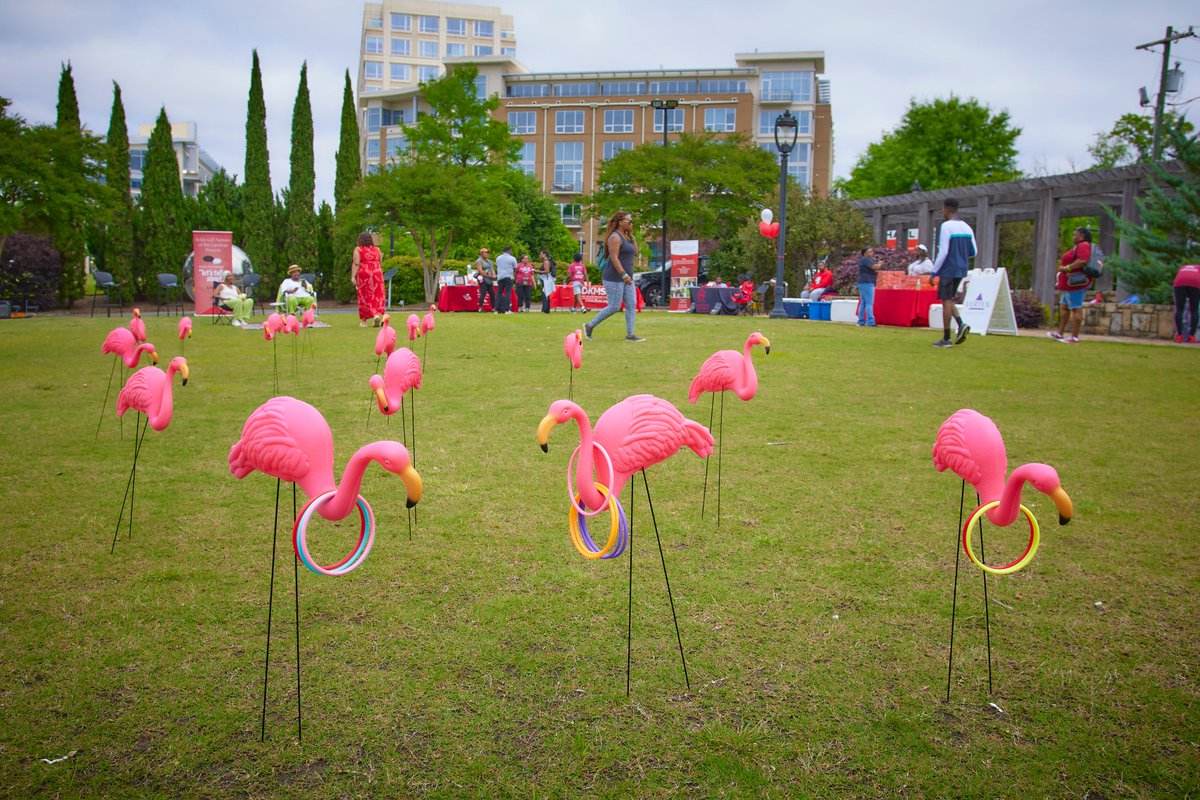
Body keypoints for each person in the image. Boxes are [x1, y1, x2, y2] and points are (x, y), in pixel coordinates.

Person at [583, 210, 643, 342]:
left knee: (631, 304)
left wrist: (631, 236)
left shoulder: (626, 237)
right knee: (614, 306)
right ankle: (589, 325)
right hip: (614, 278)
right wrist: (623, 275)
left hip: (627, 277)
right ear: (621, 222)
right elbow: (614, 258)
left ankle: (630, 334)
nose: (631, 223)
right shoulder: (614, 237)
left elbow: (635, 252)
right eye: (629, 221)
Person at [931, 198, 977, 347]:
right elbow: (973, 251)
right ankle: (961, 324)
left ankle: (946, 338)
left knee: (945, 301)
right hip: (961, 268)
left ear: (947, 209)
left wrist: (934, 271)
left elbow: (943, 252)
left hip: (948, 268)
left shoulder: (946, 226)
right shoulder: (966, 227)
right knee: (948, 299)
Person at [1048, 227, 1093, 344]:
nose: (1074, 237)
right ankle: (1060, 333)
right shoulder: (1078, 247)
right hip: (1068, 285)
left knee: (1076, 308)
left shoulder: (1083, 245)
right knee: (1064, 308)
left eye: (1076, 235)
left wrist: (1066, 268)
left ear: (1082, 236)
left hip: (1075, 284)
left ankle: (1074, 337)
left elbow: (1083, 260)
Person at [351, 231, 386, 327]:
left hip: (364, 274)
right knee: (377, 295)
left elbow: (356, 263)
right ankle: (376, 314)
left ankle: (364, 321)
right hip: (377, 274)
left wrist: (353, 276)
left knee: (364, 295)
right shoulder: (377, 249)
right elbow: (380, 261)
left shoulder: (358, 250)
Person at [1173, 263, 1200, 343]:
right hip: (1195, 283)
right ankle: (1192, 336)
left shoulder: (1183, 268)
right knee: (1194, 310)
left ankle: (1179, 336)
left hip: (1179, 283)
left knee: (1179, 309)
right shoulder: (1198, 268)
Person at [856, 247, 879, 327]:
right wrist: (880, 264)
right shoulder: (865, 259)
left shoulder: (864, 260)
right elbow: (874, 267)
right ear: (865, 253)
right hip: (867, 282)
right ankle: (870, 321)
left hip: (862, 282)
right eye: (869, 252)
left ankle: (861, 321)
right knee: (869, 303)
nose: (871, 253)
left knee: (863, 303)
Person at [494, 245, 517, 314]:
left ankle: (496, 309)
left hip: (500, 277)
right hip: (508, 277)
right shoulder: (512, 258)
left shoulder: (498, 258)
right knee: (508, 293)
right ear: (509, 250)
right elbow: (515, 268)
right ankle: (507, 309)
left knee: (499, 293)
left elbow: (497, 266)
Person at [474, 247, 495, 312]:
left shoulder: (489, 261)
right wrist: (489, 276)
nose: (487, 253)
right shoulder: (479, 261)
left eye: (487, 252)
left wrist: (493, 275)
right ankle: (480, 308)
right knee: (483, 292)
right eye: (485, 252)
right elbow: (480, 271)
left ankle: (494, 307)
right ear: (481, 253)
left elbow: (492, 269)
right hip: (482, 278)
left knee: (492, 293)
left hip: (489, 278)